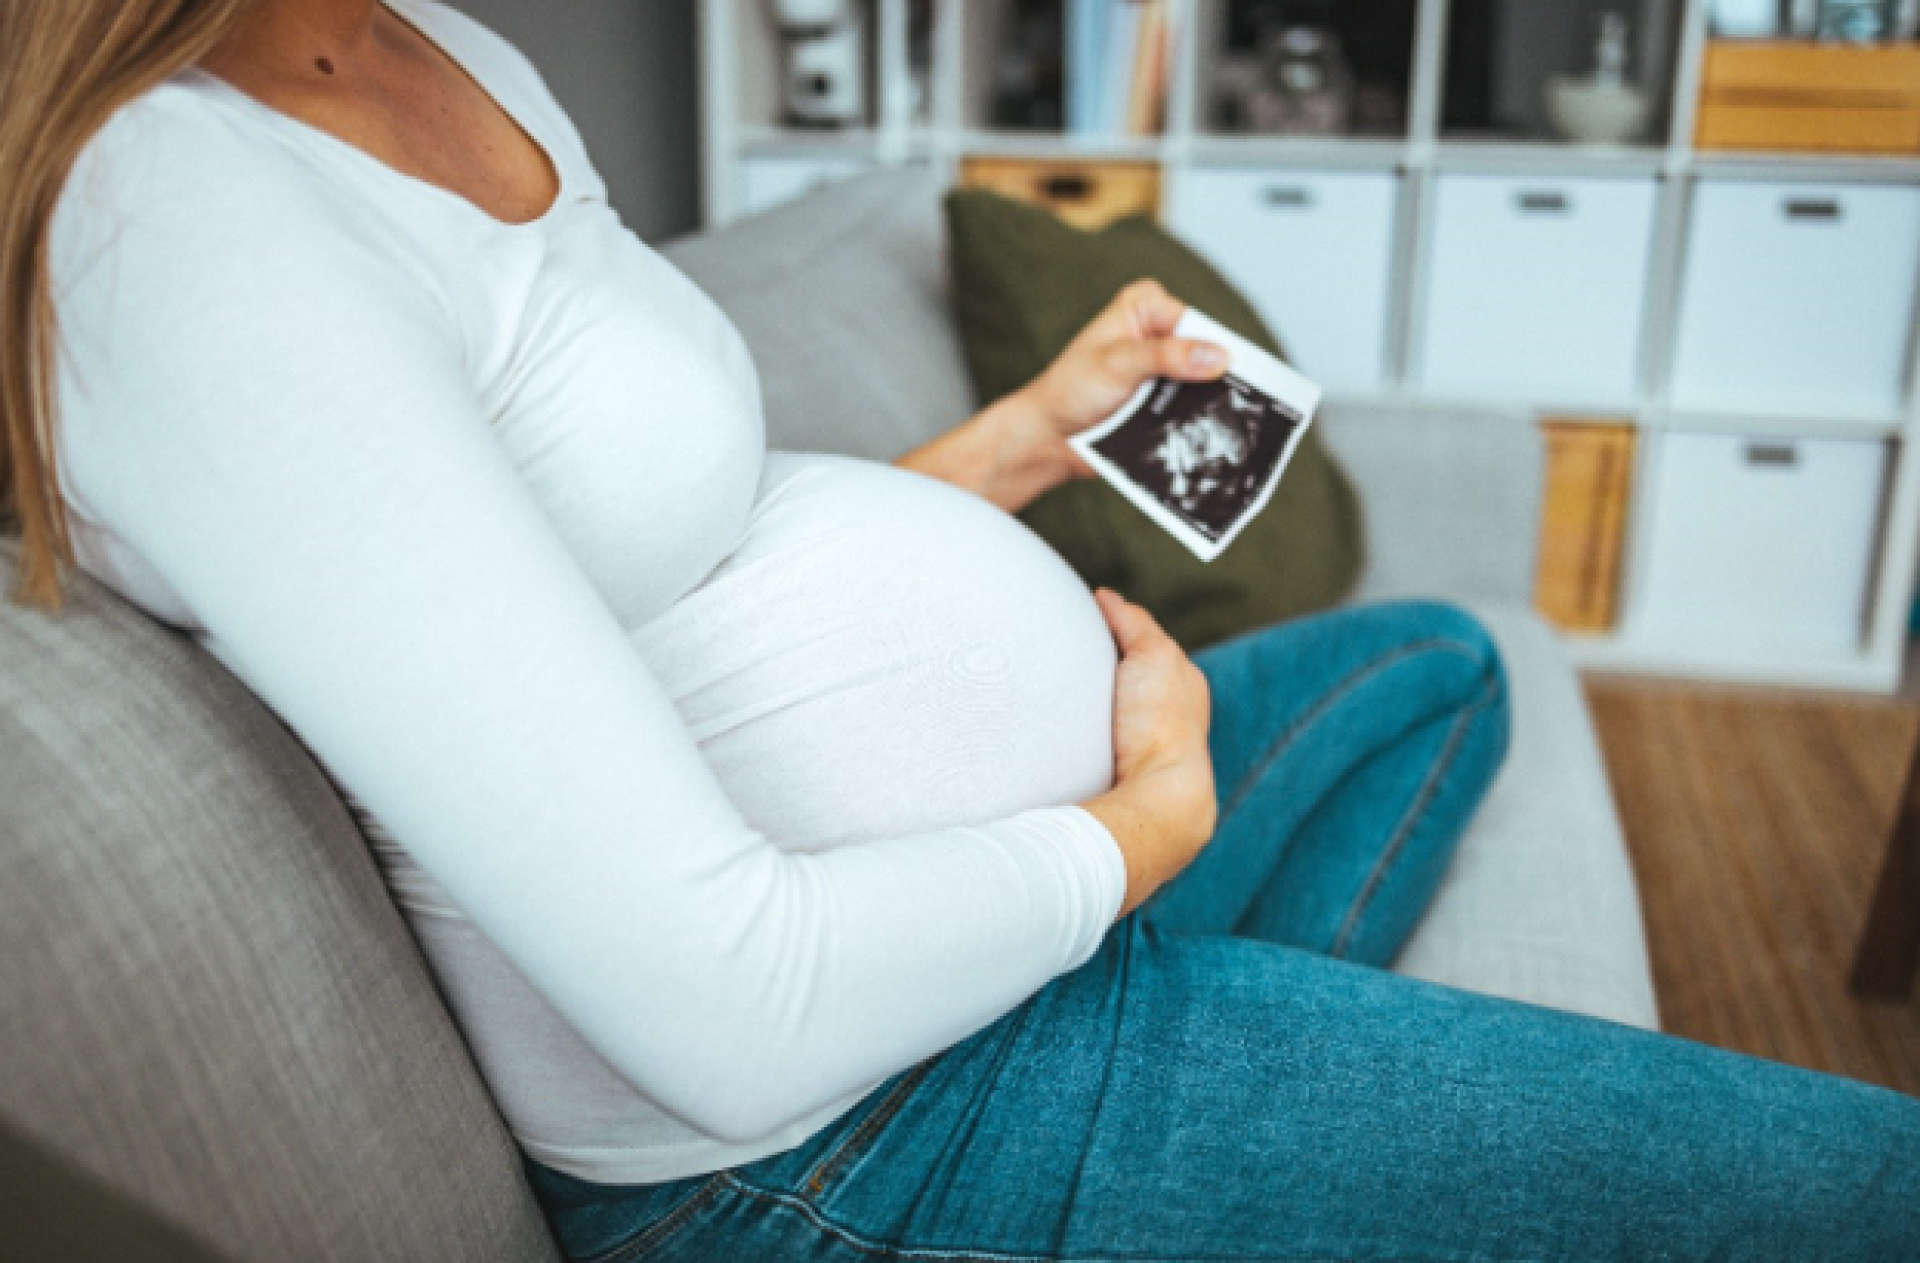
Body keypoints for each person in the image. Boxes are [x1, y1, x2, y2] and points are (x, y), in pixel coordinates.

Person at [2, 1, 1915, 1259]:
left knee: (1441, 666)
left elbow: (643, 553)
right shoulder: (166, 223)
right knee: (1866, 1193)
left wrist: (1012, 446)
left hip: (968, 946)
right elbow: (725, 1014)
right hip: (820, 1127)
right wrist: (1136, 827)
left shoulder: (416, 38)